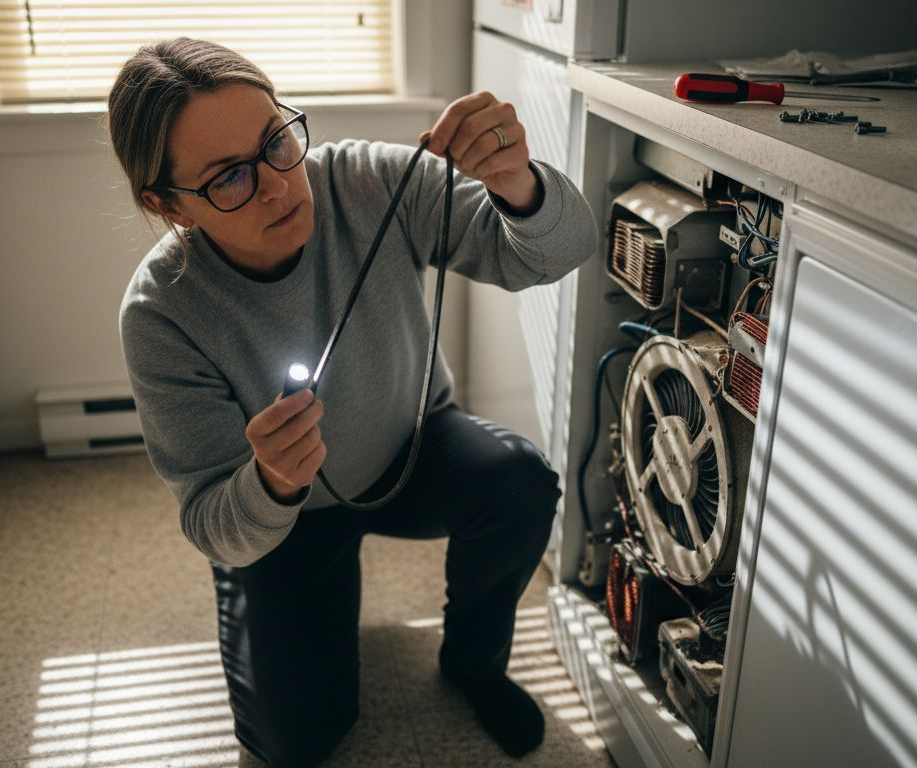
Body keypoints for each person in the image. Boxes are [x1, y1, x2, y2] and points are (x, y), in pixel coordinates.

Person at [111, 37, 598, 766]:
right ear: (167, 205)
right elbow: (216, 524)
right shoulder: (160, 314)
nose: (278, 184)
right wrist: (272, 481)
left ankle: (473, 663)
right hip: (282, 521)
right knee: (294, 744)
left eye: (277, 141)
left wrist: (517, 182)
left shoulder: (370, 182)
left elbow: (559, 249)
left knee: (519, 483)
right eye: (228, 180)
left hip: (413, 452)